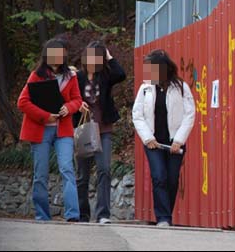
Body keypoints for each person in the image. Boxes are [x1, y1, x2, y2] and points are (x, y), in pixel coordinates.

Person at [17, 38, 82, 222]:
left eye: (60, 53)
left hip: (64, 130)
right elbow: (22, 102)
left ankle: (72, 215)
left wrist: (68, 108)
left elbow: (77, 99)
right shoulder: (36, 75)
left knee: (67, 168)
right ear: (46, 55)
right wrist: (45, 116)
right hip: (40, 130)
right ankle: (42, 216)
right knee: (41, 174)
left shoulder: (71, 76)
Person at [132, 49, 195, 227]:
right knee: (159, 176)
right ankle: (163, 218)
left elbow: (189, 114)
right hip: (153, 143)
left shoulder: (181, 87)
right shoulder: (145, 89)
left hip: (175, 143)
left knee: (172, 179)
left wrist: (179, 140)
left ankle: (166, 213)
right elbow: (137, 115)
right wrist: (147, 138)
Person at [73, 41, 126, 224]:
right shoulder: (77, 77)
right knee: (82, 174)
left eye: (99, 57)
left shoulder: (105, 76)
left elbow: (121, 74)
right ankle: (83, 214)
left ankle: (103, 214)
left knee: (104, 169)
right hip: (83, 130)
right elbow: (68, 97)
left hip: (103, 129)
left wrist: (109, 56)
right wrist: (77, 104)